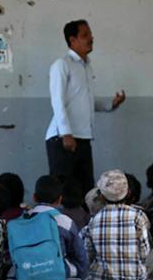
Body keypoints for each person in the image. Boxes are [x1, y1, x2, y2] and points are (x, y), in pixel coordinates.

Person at [45, 20, 126, 194]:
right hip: (62, 139)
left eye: (90, 34)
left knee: (85, 191)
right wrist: (66, 133)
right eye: (85, 35)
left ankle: (83, 222)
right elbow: (57, 101)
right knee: (62, 191)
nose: (91, 38)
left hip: (82, 138)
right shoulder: (62, 64)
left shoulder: (87, 67)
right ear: (72, 40)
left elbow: (85, 102)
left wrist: (111, 104)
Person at [83, 169, 153, 280]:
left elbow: (88, 253)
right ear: (128, 193)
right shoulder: (138, 216)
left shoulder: (94, 220)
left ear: (102, 197)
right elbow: (144, 252)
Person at [24, 174, 90, 280]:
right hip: (56, 272)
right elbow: (80, 255)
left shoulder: (22, 220)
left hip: (26, 271)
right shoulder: (64, 221)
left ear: (34, 197)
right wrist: (83, 277)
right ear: (60, 199)